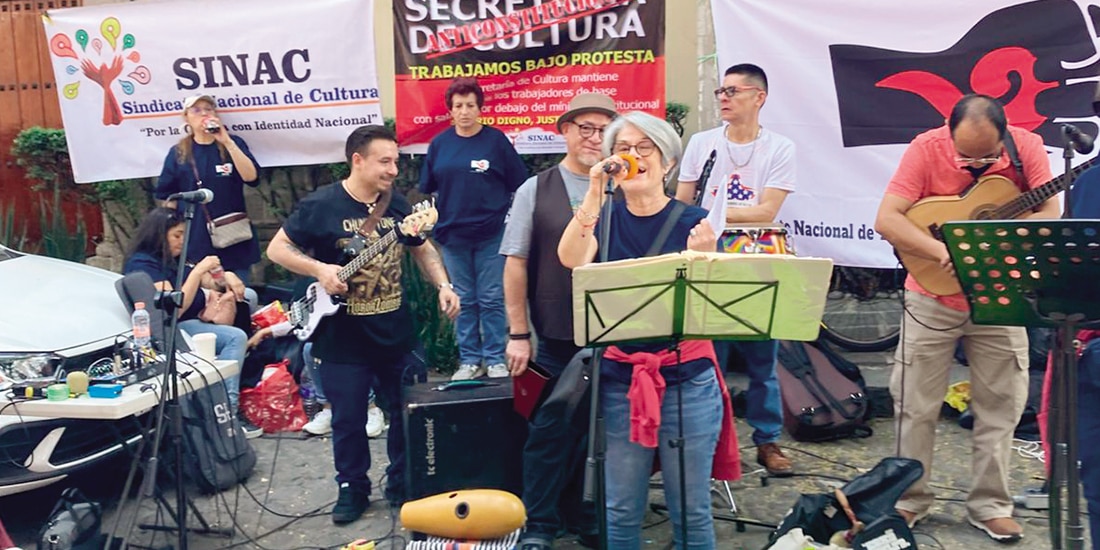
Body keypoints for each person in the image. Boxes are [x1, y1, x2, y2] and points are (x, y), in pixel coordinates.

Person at [874, 94, 1058, 543]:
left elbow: (1049, 213)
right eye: (966, 157)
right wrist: (944, 251)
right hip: (931, 296)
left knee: (1001, 404)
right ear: (947, 130)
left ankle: (991, 505)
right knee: (915, 404)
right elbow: (887, 218)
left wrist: (1000, 247)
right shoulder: (925, 148)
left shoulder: (1027, 148)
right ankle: (907, 499)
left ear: (1005, 136)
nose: (977, 166)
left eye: (987, 157)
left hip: (1000, 296)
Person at [558, 111, 739, 549]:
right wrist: (596, 191)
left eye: (645, 148)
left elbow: (719, 308)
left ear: (668, 162)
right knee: (620, 509)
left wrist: (706, 258)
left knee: (690, 509)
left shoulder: (695, 222)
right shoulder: (603, 217)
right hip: (622, 379)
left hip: (688, 378)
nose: (634, 156)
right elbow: (571, 258)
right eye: (623, 148)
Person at [267, 125, 460, 524]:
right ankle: (351, 488)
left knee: (405, 413)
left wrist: (443, 284)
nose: (393, 169)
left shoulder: (399, 205)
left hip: (396, 331)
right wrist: (320, 269)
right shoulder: (321, 205)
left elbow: (423, 251)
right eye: (384, 161)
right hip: (341, 337)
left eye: (396, 160)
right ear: (358, 160)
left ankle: (401, 484)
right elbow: (277, 249)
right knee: (348, 419)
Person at [500, 93, 618, 549]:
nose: (593, 138)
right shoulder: (537, 188)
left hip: (616, 335)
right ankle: (541, 524)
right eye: (583, 127)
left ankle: (586, 515)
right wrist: (517, 333)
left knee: (601, 436)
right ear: (564, 131)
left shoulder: (627, 187)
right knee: (549, 433)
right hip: (553, 336)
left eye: (602, 129)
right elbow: (515, 264)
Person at [675, 63, 797, 477]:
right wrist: (710, 219)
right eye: (720, 92)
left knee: (763, 352)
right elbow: (682, 201)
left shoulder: (779, 148)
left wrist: (716, 213)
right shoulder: (702, 143)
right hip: (707, 249)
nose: (723, 98)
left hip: (758, 251)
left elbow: (767, 211)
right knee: (710, 352)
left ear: (758, 97)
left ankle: (767, 439)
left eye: (732, 91)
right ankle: (713, 439)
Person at [419, 77, 528, 381]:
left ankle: (494, 358)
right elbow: (428, 188)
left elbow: (519, 184)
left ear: (480, 108)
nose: (464, 111)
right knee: (463, 299)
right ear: (450, 111)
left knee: (492, 298)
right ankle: (469, 360)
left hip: (492, 236)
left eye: (470, 105)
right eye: (458, 106)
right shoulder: (440, 144)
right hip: (452, 237)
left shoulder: (495, 142)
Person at [122, 207, 260, 438]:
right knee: (236, 337)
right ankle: (227, 410)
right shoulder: (144, 264)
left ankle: (241, 368)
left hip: (198, 314)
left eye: (184, 235)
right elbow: (173, 308)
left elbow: (211, 282)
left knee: (250, 296)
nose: (182, 241)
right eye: (177, 235)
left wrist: (227, 277)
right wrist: (198, 272)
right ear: (158, 235)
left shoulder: (176, 259)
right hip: (174, 328)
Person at [156, 94, 261, 285]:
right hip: (196, 240)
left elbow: (251, 177)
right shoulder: (179, 152)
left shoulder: (232, 143)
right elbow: (167, 197)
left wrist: (226, 141)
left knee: (238, 296)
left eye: (208, 109)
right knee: (207, 301)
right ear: (186, 117)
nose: (204, 114)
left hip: (232, 237)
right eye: (197, 110)